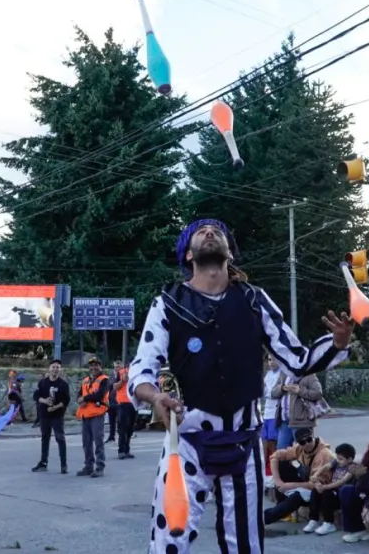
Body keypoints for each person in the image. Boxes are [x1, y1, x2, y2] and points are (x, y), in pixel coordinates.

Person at [127, 218, 354, 554]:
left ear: (229, 252)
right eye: (200, 232)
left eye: (217, 231)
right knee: (169, 541)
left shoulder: (253, 300)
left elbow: (298, 360)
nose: (209, 233)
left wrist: (337, 343)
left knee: (246, 546)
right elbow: (140, 370)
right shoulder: (168, 302)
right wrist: (155, 395)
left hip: (243, 443)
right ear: (188, 255)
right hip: (188, 442)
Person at [264, 427, 337, 533]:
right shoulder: (299, 448)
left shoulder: (324, 455)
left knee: (296, 498)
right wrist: (278, 481)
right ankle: (280, 507)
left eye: (309, 440)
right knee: (282, 464)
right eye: (302, 442)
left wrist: (289, 485)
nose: (307, 444)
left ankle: (264, 518)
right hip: (306, 479)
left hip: (318, 491)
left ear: (313, 437)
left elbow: (316, 484)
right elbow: (275, 456)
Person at [32, 359, 70, 474]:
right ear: (49, 369)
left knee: (60, 438)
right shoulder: (43, 382)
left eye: (57, 367)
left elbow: (66, 400)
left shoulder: (63, 384)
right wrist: (44, 401)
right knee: (45, 438)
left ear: (60, 369)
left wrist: (55, 407)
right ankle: (43, 463)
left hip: (57, 416)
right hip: (44, 415)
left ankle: (63, 465)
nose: (55, 369)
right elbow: (36, 396)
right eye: (53, 367)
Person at [75, 357, 110, 478]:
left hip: (97, 414)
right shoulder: (85, 380)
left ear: (101, 367)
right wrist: (80, 400)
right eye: (91, 365)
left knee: (98, 441)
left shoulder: (104, 380)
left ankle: (100, 467)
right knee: (86, 442)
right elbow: (79, 394)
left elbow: (100, 395)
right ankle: (88, 466)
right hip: (85, 414)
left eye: (96, 365)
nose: (93, 367)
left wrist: (84, 399)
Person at [262, 357, 283, 488]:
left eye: (274, 360)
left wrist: (269, 393)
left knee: (274, 444)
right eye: (269, 360)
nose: (272, 362)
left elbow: (275, 393)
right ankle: (266, 474)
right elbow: (265, 393)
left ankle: (276, 474)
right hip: (266, 412)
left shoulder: (282, 374)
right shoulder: (268, 374)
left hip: (276, 412)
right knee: (265, 443)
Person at [114, 359, 136, 459]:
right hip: (123, 403)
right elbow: (114, 387)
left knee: (130, 428)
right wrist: (122, 380)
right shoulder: (121, 373)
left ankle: (127, 449)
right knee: (123, 428)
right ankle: (121, 451)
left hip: (134, 403)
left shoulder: (139, 373)